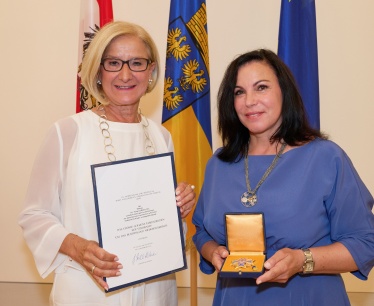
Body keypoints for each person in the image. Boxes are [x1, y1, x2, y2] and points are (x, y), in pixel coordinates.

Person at [18, 21, 196, 306]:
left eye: (137, 63)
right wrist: (78, 248)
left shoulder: (161, 136)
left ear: (150, 71)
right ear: (98, 71)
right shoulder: (68, 133)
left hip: (156, 292)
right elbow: (34, 215)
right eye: (114, 63)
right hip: (88, 292)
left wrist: (178, 206)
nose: (126, 74)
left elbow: (162, 227)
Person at [192, 49, 374, 305]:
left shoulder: (325, 158)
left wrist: (302, 261)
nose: (249, 101)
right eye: (239, 92)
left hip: (308, 297)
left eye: (261, 87)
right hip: (234, 298)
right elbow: (202, 231)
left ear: (284, 93)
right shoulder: (219, 163)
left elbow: (365, 243)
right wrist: (212, 252)